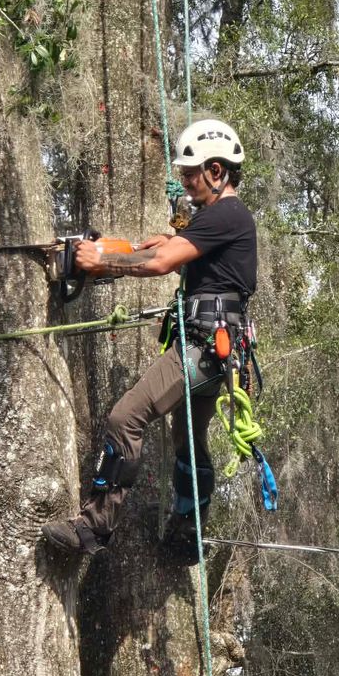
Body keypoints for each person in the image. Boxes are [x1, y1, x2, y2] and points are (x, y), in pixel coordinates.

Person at [41, 118, 257, 563]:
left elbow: (162, 263)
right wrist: (166, 241)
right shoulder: (219, 219)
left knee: (126, 418)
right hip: (216, 348)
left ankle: (94, 526)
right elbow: (183, 252)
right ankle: (188, 530)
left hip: (203, 346)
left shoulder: (226, 214)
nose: (186, 183)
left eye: (192, 174)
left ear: (217, 171)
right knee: (187, 439)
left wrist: (102, 262)